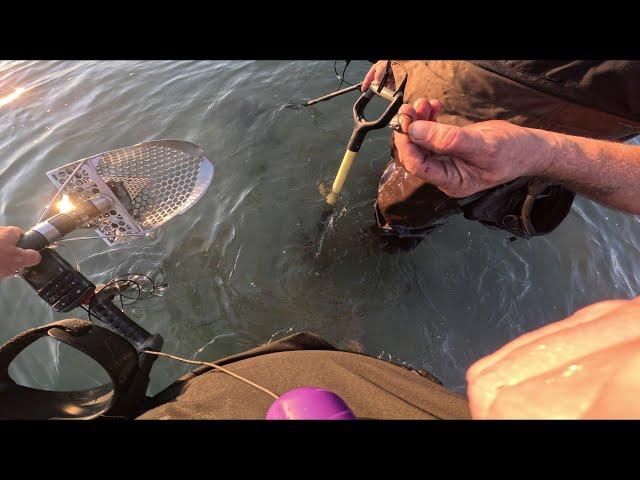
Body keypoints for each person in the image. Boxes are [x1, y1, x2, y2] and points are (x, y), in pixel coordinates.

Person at [364, 60, 640, 244]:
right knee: (409, 177)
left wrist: (544, 153)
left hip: (559, 103)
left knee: (407, 203)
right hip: (453, 77)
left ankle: (387, 238)